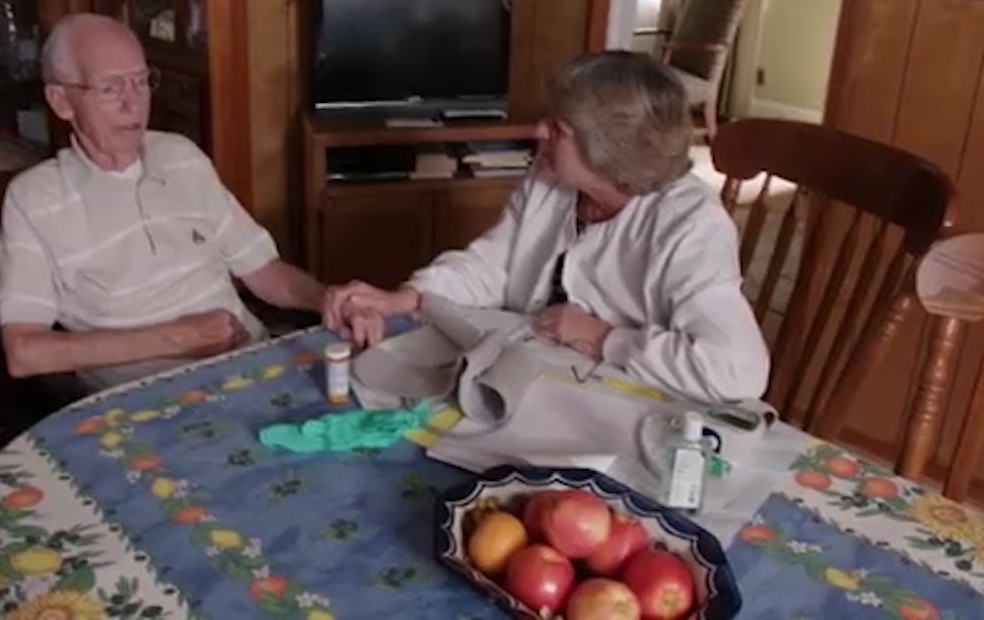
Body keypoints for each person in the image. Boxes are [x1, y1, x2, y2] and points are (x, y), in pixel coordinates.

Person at [323, 51, 769, 402]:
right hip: (536, 381)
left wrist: (604, 338)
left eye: (558, 128)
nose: (538, 132)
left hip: (629, 412)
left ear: (607, 149)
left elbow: (738, 371)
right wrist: (404, 298)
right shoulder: (549, 178)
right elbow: (492, 268)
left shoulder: (691, 226)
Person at [0, 13, 326, 390]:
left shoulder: (181, 156)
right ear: (61, 101)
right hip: (150, 403)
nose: (132, 103)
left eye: (140, 82)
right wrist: (180, 338)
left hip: (251, 366)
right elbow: (24, 352)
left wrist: (326, 299)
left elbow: (264, 272)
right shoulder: (34, 199)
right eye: (110, 88)